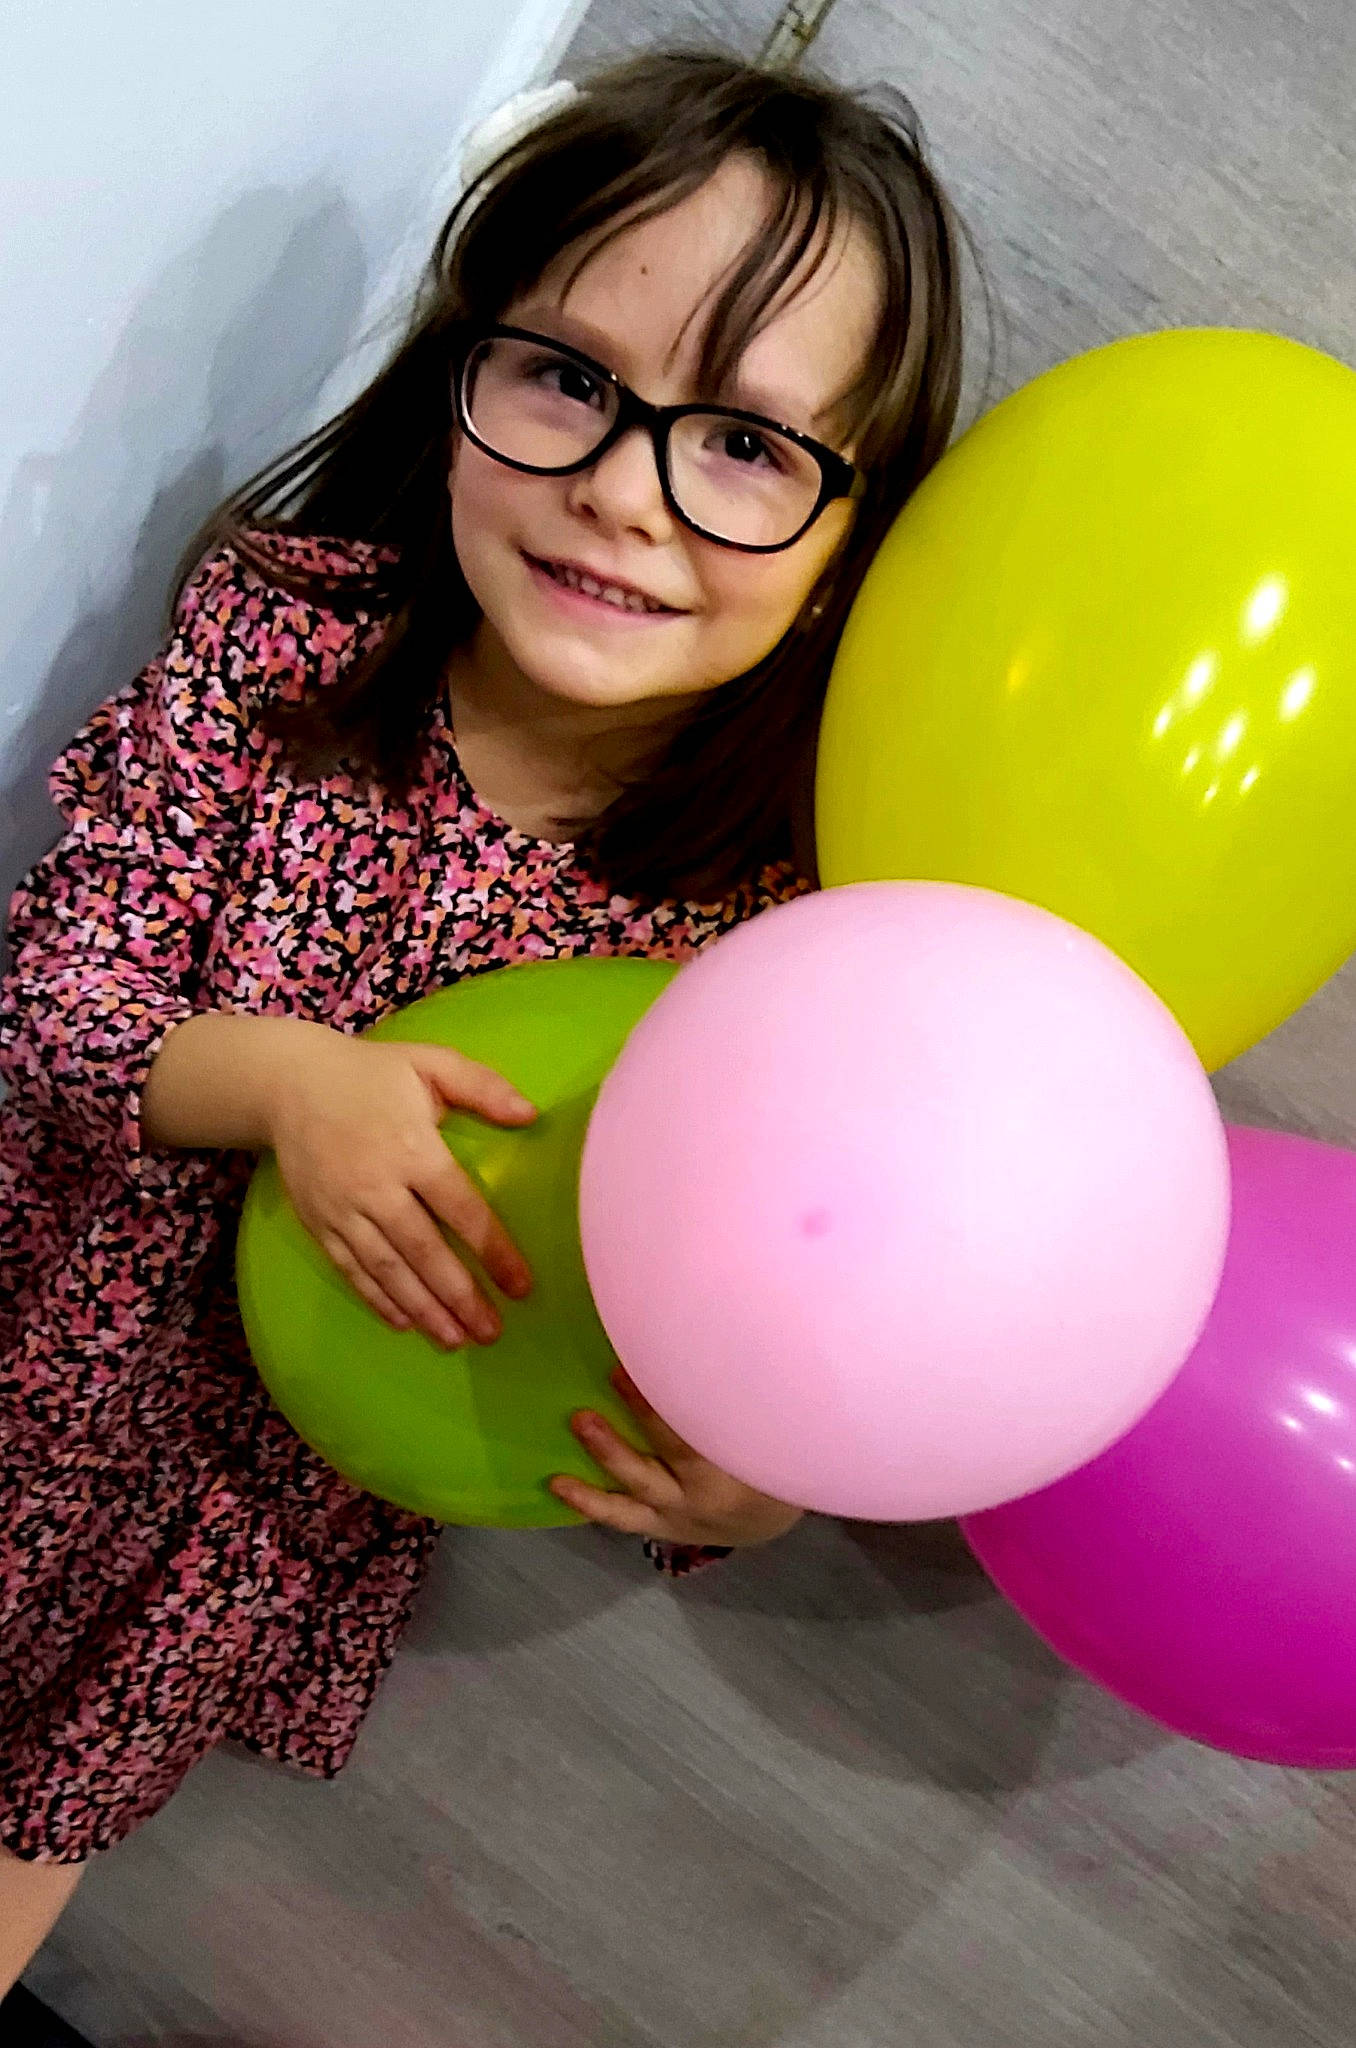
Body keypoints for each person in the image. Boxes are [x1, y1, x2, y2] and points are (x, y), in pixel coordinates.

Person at [0, 46, 968, 1999]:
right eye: (571, 380)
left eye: (751, 446)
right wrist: (284, 1086)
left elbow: (715, 1314)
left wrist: (742, 1485)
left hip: (213, 1542)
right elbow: (50, 993)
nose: (624, 491)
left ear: (852, 540)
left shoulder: (758, 952)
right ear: (468, 367)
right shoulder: (282, 645)